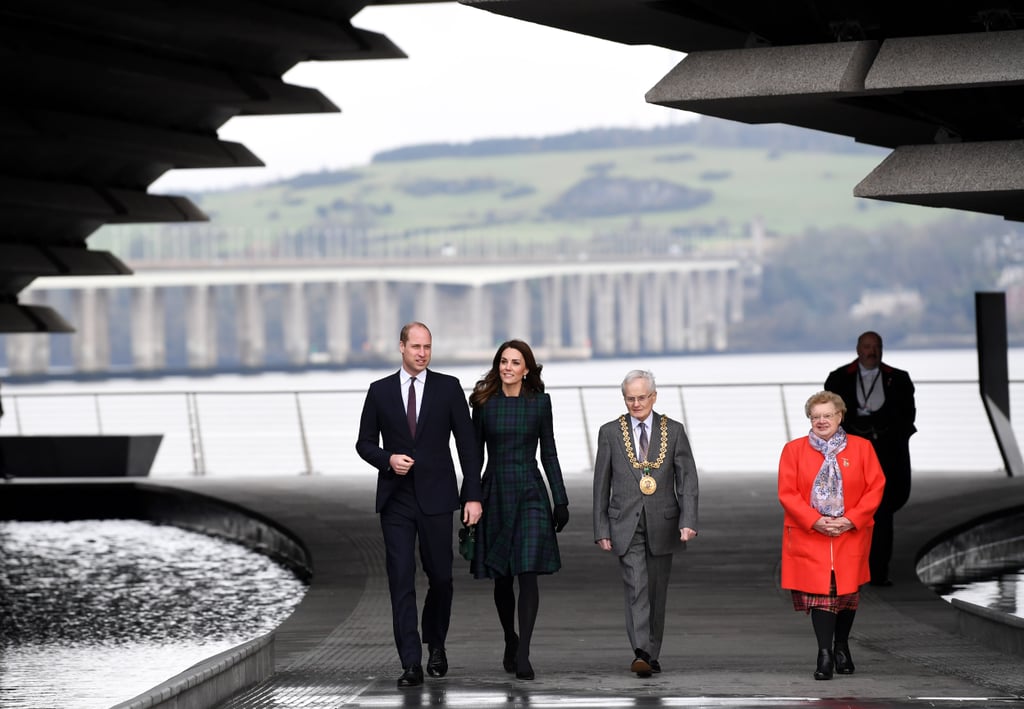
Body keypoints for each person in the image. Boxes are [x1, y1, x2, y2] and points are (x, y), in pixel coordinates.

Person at [355, 321, 483, 688]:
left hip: (437, 497)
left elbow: (467, 447)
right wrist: (388, 459)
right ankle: (410, 662)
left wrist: (472, 494)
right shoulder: (379, 392)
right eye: (416, 347)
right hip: (396, 499)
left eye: (427, 347)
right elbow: (364, 443)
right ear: (401, 347)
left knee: (441, 578)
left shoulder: (447, 388)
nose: (423, 353)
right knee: (400, 581)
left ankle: (436, 642)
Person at [468, 339, 569, 681]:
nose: (508, 367)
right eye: (503, 361)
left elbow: (550, 453)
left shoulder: (540, 404)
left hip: (530, 491)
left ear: (527, 369)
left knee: (527, 572)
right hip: (495, 489)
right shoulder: (484, 404)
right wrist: (472, 497)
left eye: (515, 362)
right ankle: (510, 638)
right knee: (503, 577)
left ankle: (523, 650)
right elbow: (473, 458)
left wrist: (561, 499)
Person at [592, 369, 699, 678]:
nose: (636, 404)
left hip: (664, 522)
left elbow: (687, 479)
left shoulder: (674, 431)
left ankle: (652, 652)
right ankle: (640, 651)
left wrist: (688, 520)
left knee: (656, 592)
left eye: (641, 397)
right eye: (630, 398)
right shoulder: (610, 432)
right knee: (636, 586)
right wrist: (601, 528)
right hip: (625, 523)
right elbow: (601, 483)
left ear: (654, 396)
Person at [778, 390, 885, 680]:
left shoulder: (862, 448)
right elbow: (787, 493)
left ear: (840, 416)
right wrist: (815, 520)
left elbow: (875, 487)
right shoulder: (793, 450)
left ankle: (841, 646)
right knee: (821, 596)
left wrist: (851, 519)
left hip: (850, 533)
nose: (821, 421)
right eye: (816, 416)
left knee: (847, 594)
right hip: (809, 534)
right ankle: (824, 654)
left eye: (827, 415)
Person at [824, 331, 916, 586]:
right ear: (857, 349)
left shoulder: (898, 379)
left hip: (887, 458)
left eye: (876, 347)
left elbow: (907, 419)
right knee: (844, 515)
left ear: (882, 349)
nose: (871, 352)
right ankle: (846, 572)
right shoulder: (838, 378)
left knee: (883, 515)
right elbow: (828, 420)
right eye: (867, 346)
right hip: (849, 458)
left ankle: (878, 573)